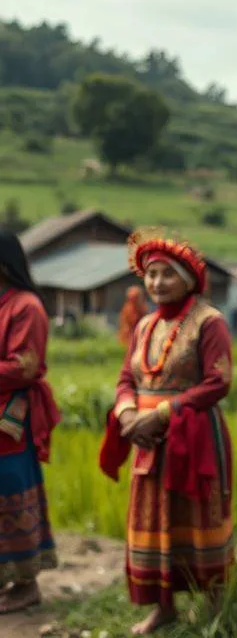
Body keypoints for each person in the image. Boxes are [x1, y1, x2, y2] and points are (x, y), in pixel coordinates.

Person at [98, 228, 234, 635]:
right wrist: (126, 415)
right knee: (153, 519)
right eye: (151, 274)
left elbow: (218, 382)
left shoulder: (209, 322)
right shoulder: (144, 326)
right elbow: (126, 379)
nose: (157, 283)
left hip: (194, 437)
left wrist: (160, 413)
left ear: (189, 279)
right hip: (145, 440)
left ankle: (215, 608)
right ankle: (164, 608)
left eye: (167, 274)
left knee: (198, 516)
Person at [0, 231, 60, 614]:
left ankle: (26, 582)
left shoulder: (26, 306)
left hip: (9, 419)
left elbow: (24, 366)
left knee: (12, 490)